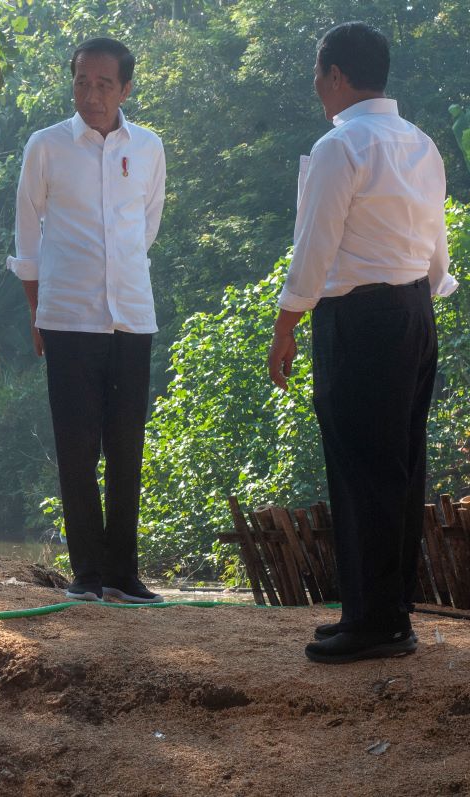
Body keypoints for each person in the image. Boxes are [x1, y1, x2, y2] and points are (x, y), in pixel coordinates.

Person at [267, 22, 456, 664]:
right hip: (413, 310)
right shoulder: (419, 143)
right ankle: (384, 612)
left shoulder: (340, 146)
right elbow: (435, 241)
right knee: (399, 464)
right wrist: (419, 302)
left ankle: (375, 623)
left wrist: (286, 325)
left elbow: (315, 247)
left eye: (318, 74)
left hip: (360, 318)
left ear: (337, 75)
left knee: (361, 468)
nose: (316, 87)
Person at [7, 37, 166, 603]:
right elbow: (27, 236)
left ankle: (124, 574)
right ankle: (87, 574)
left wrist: (117, 273)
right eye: (81, 82)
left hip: (132, 316)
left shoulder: (148, 147)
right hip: (68, 316)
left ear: (126, 89)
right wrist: (37, 310)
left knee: (127, 445)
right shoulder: (46, 146)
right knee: (77, 446)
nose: (91, 95)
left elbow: (146, 226)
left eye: (104, 85)